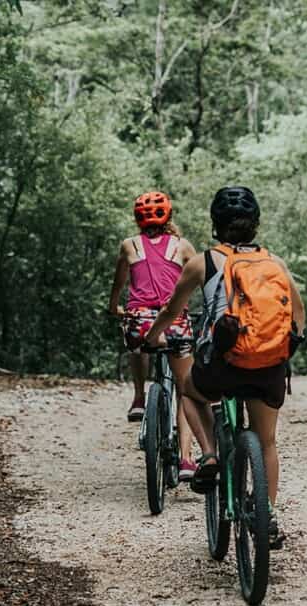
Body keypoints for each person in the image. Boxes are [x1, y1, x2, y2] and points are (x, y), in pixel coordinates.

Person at [146, 186, 305, 549]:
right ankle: (267, 512)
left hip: (224, 365)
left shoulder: (202, 263)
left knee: (188, 388)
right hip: (268, 367)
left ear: (215, 225)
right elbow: (298, 315)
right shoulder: (274, 263)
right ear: (256, 224)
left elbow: (172, 311)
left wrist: (155, 336)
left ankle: (211, 454)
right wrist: (283, 350)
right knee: (266, 441)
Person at [106, 190, 206, 481]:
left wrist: (115, 309)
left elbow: (118, 284)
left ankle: (139, 397)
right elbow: (200, 279)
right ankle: (187, 459)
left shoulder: (129, 245)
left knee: (135, 341)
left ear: (137, 219)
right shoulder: (183, 246)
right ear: (169, 216)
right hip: (174, 323)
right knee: (185, 390)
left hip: (140, 323)